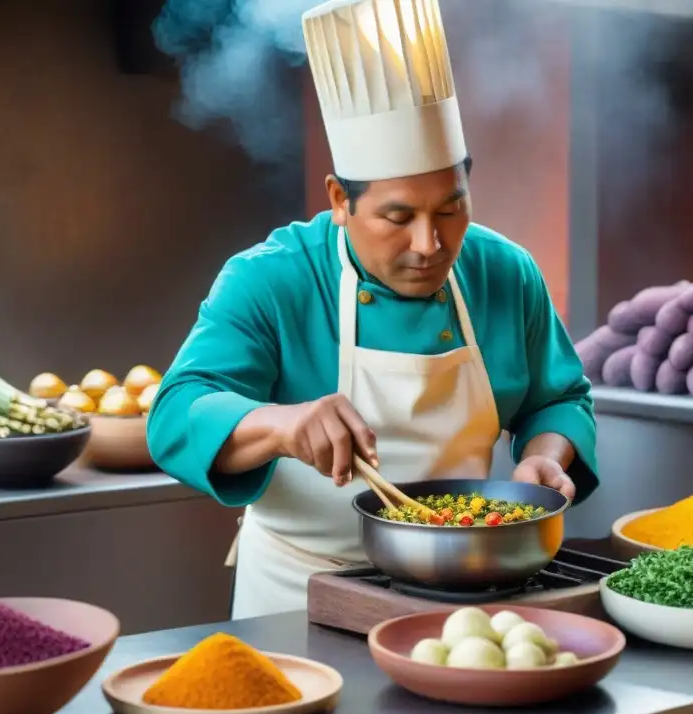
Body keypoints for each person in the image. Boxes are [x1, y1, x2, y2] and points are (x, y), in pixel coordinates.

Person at [146, 0, 599, 620]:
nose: (429, 244)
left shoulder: (504, 271)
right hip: (296, 597)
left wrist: (543, 456)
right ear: (340, 200)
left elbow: (559, 398)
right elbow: (175, 415)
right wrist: (283, 424)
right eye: (397, 217)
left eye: (449, 208)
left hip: (463, 595)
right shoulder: (271, 279)